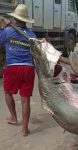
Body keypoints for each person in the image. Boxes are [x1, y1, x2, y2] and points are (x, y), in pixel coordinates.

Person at [0, 4, 36, 136]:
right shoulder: (32, 35)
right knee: (25, 99)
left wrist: (3, 28)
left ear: (15, 18)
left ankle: (14, 118)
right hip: (28, 68)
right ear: (26, 20)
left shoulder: (8, 31)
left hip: (13, 68)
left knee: (8, 92)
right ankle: (25, 129)